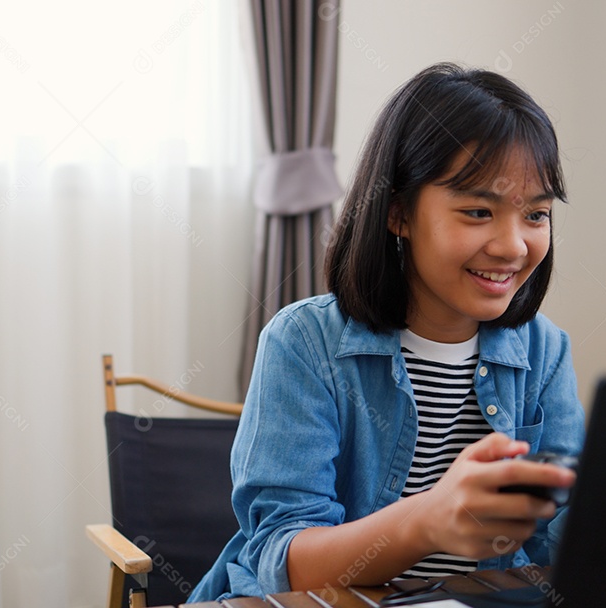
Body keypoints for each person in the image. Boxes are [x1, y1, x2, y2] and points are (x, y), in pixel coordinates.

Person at [189, 62, 585, 600]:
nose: (513, 246)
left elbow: (568, 543)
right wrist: (427, 519)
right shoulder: (303, 343)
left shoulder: (545, 351)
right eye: (477, 211)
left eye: (536, 215)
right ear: (398, 212)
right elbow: (285, 564)